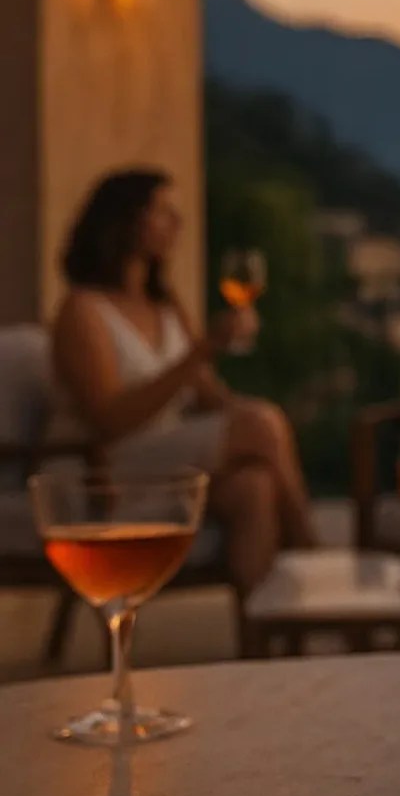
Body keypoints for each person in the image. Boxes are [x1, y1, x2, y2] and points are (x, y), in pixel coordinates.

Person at [45, 169, 317, 591]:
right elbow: (109, 419)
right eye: (163, 212)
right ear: (127, 220)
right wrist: (203, 351)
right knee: (260, 422)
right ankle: (313, 558)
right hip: (107, 465)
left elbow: (207, 395)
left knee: (255, 485)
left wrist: (241, 409)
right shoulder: (82, 309)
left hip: (170, 456)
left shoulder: (165, 306)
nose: (177, 223)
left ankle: (264, 638)